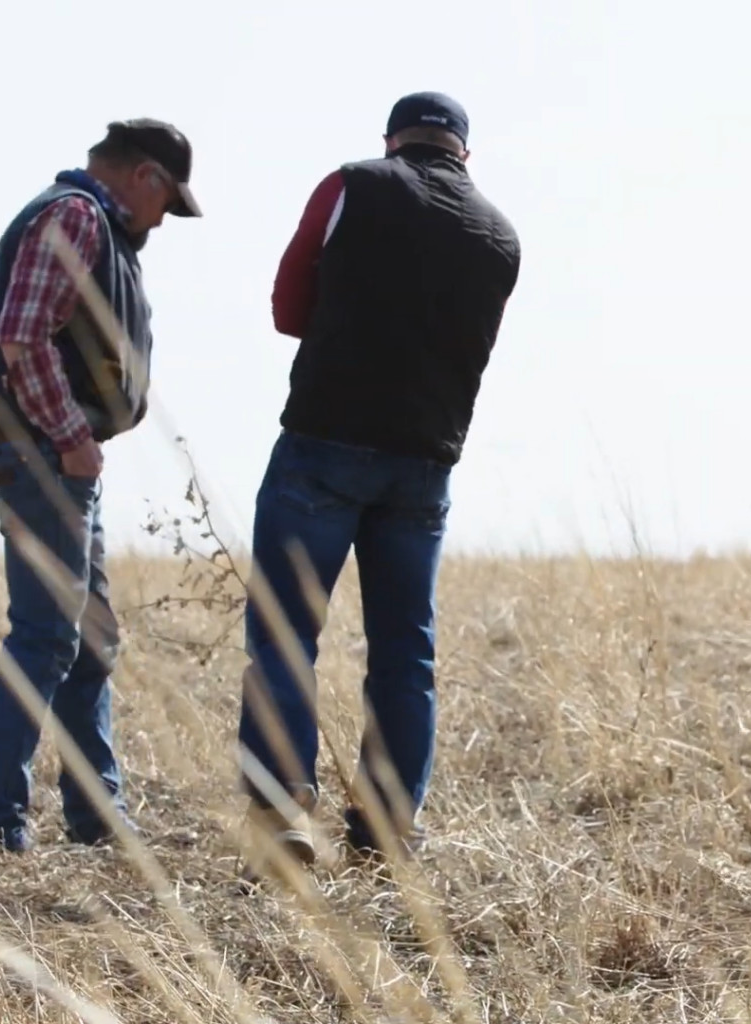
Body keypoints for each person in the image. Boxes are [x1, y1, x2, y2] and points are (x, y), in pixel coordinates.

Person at [237, 91, 520, 869]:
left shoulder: (350, 185)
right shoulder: (500, 235)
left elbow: (288, 307)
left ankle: (286, 808)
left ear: (393, 139)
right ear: (465, 151)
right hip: (426, 461)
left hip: (324, 442)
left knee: (286, 634)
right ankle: (389, 824)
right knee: (405, 653)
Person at [0, 119, 202, 852]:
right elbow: (23, 335)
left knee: (87, 637)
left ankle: (98, 819)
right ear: (146, 177)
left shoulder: (91, 223)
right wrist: (69, 438)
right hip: (41, 451)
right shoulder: (73, 215)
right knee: (48, 631)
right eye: (167, 203)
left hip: (54, 453)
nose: (163, 220)